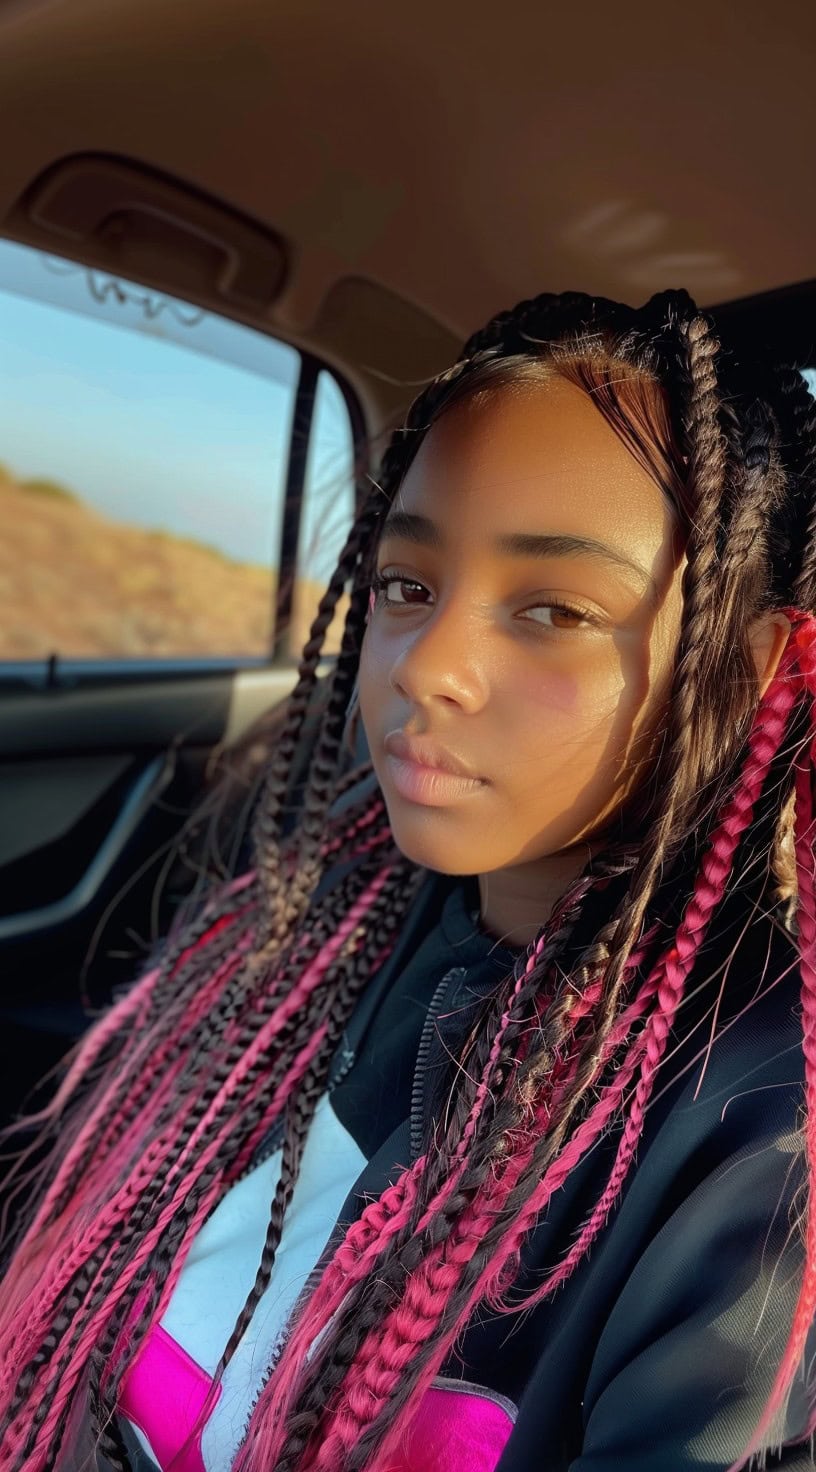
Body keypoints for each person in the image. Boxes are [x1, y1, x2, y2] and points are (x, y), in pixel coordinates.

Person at [1, 287, 816, 1472]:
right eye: (406, 587)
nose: (427, 665)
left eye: (553, 608)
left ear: (743, 672)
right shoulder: (317, 924)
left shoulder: (761, 1144)